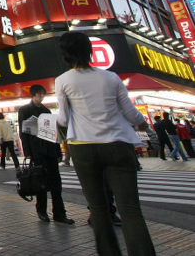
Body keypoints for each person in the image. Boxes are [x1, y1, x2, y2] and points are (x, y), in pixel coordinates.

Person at [56, 31, 154, 256]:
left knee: (98, 209)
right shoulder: (111, 77)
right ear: (90, 50)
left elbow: (62, 119)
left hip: (83, 148)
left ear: (65, 54)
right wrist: (143, 126)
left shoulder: (63, 80)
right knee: (130, 209)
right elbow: (130, 112)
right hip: (118, 145)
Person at [18, 84, 74, 225]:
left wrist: (58, 151)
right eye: (39, 94)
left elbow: (53, 133)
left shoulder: (46, 111)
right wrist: (27, 152)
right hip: (37, 151)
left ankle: (59, 213)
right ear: (33, 94)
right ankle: (41, 210)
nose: (41, 96)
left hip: (50, 150)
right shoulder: (24, 110)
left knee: (56, 183)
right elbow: (23, 132)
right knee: (40, 182)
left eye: (43, 94)